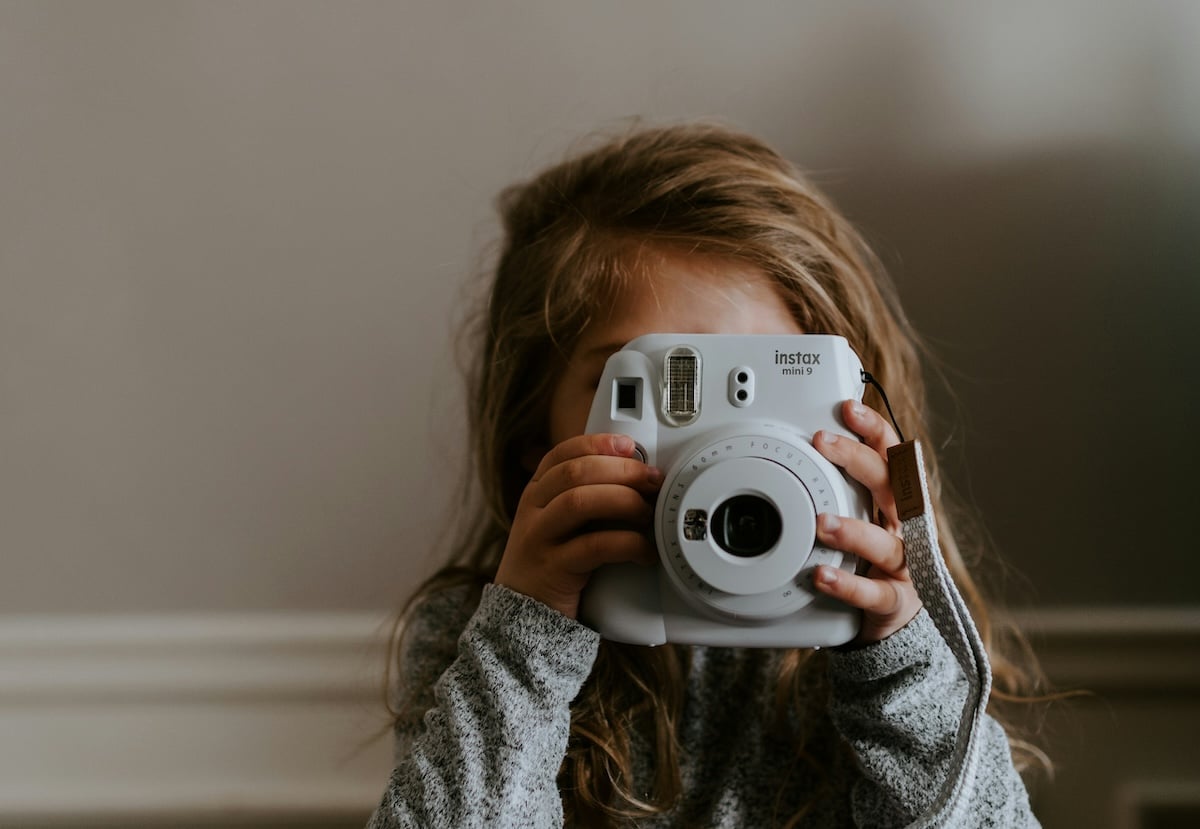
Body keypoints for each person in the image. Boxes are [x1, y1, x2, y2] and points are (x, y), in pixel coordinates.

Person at [368, 122, 1044, 828]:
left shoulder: (888, 637)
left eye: (755, 388)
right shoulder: (476, 632)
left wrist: (902, 661)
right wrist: (525, 638)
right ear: (531, 437)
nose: (714, 450)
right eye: (652, 388)